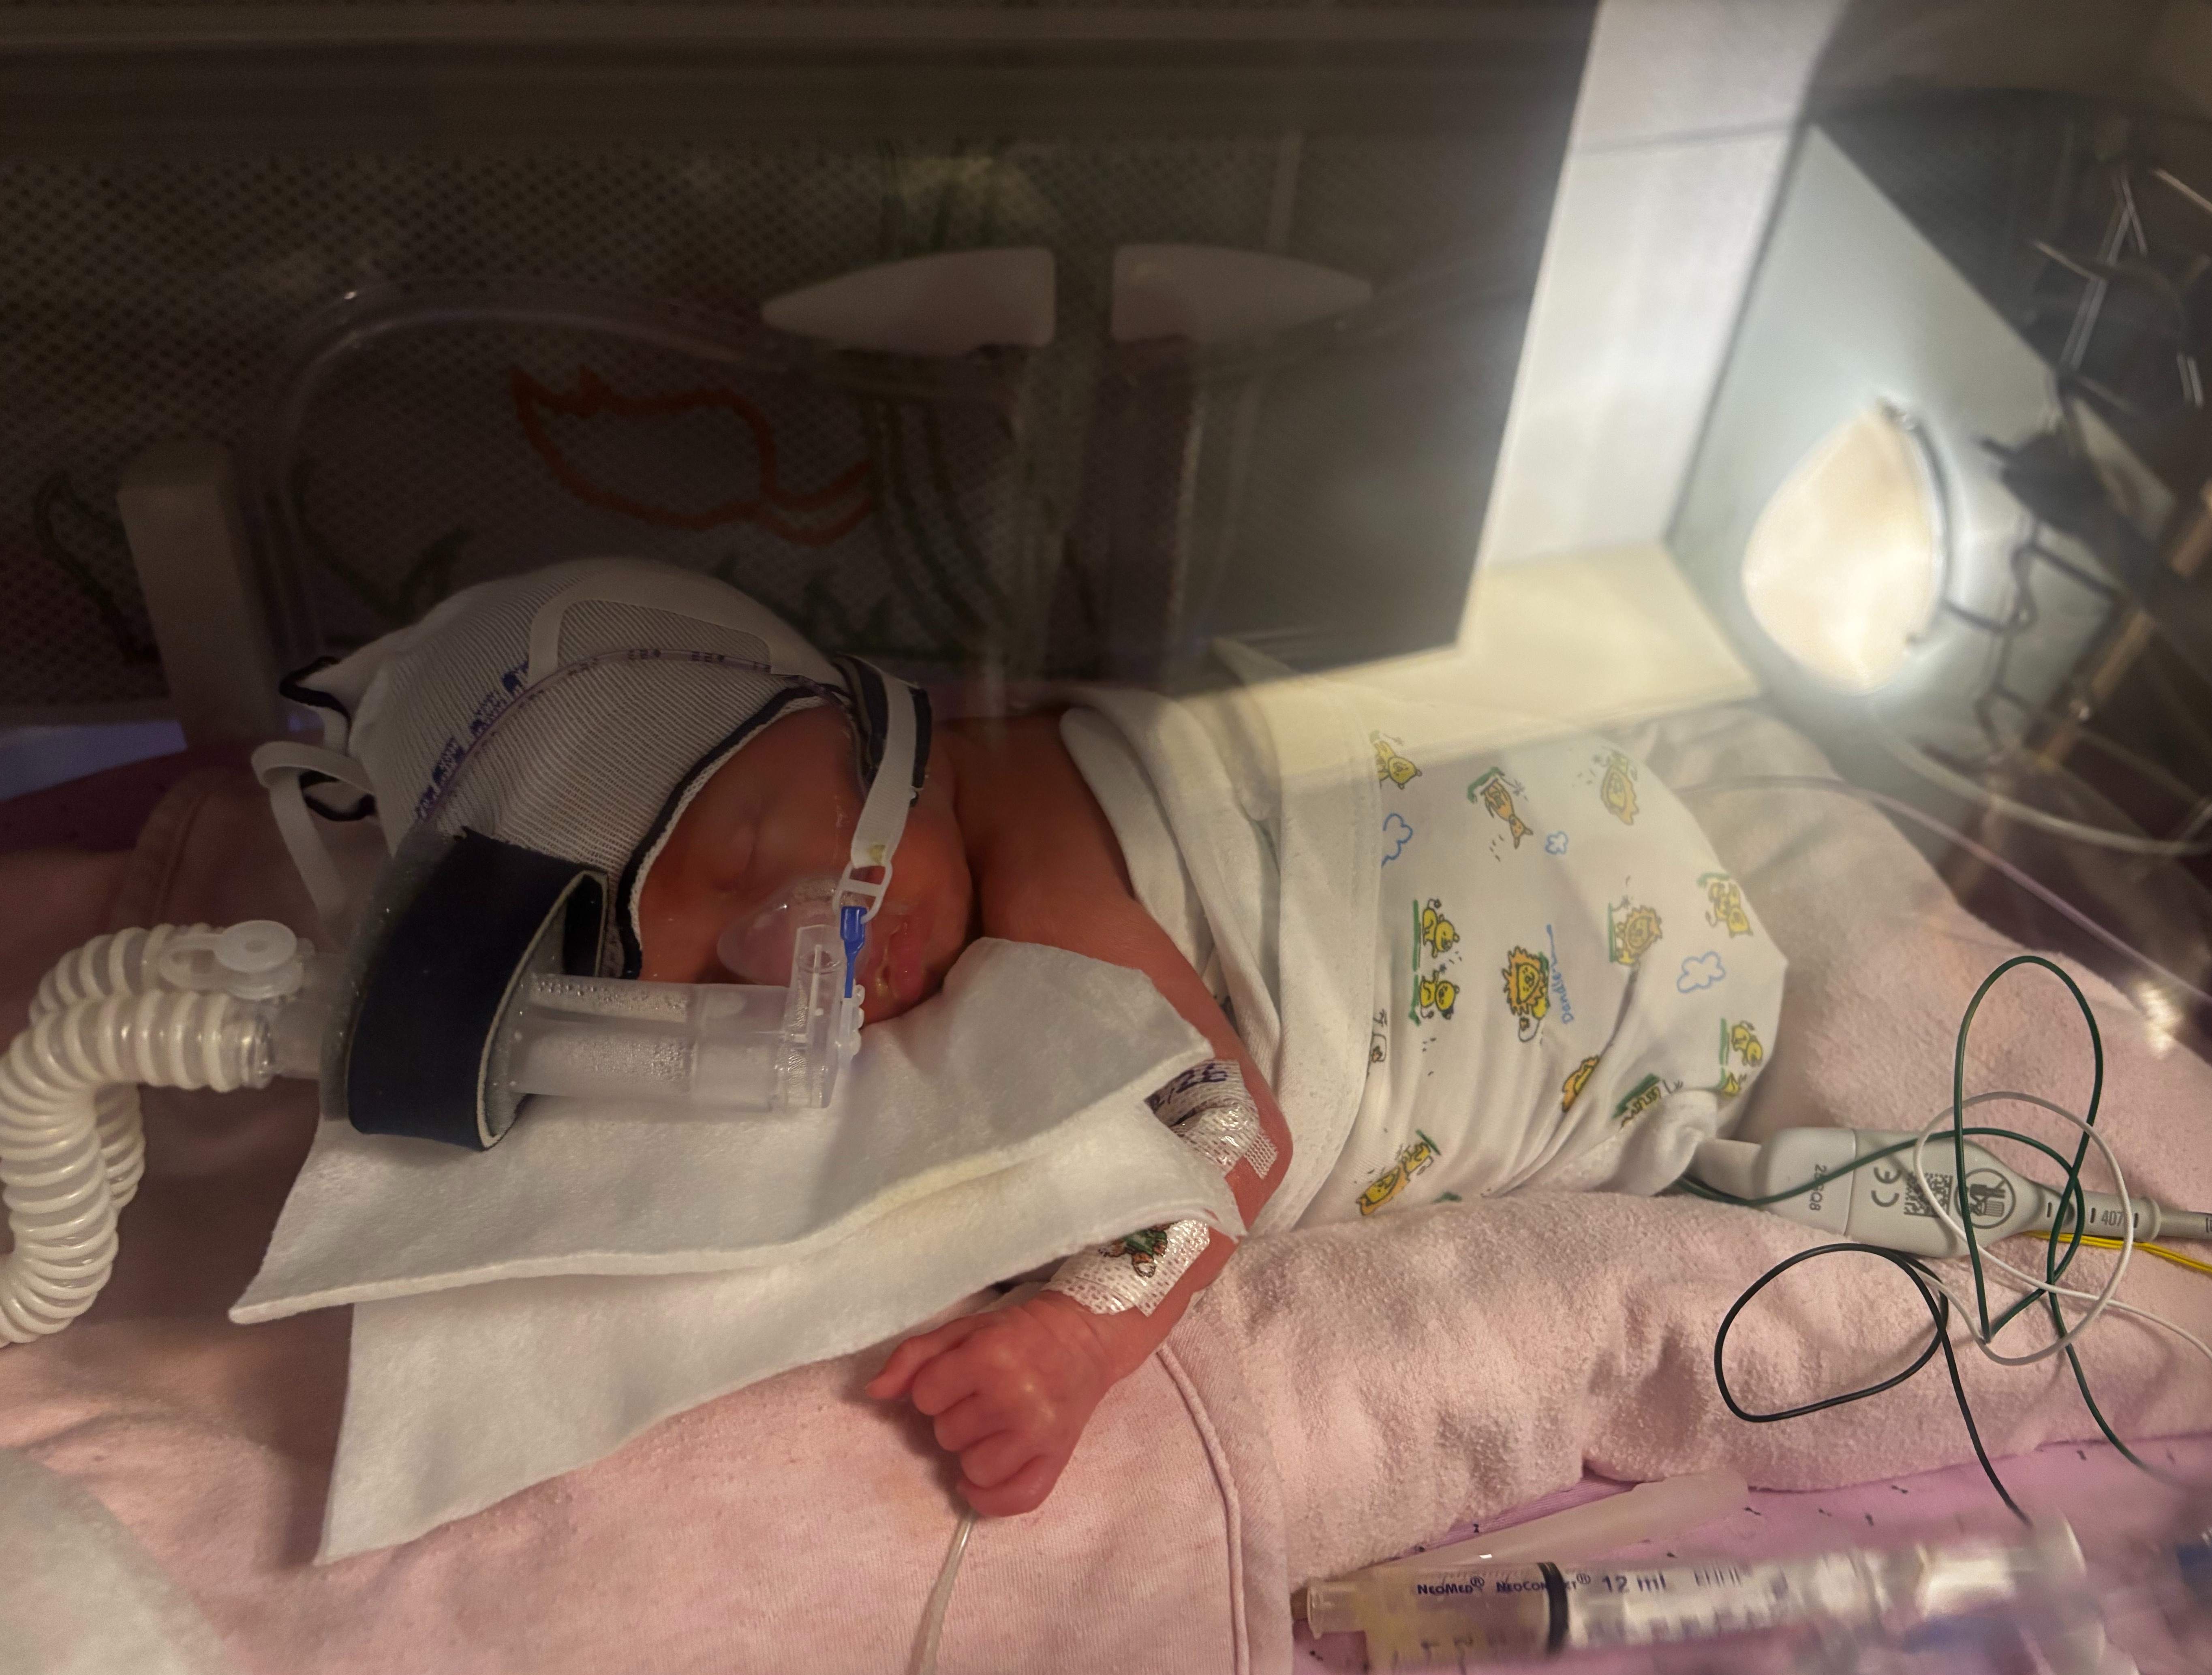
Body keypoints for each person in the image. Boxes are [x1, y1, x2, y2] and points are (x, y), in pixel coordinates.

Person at [293, 560, 1785, 1519]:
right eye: (716, 973)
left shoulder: (1036, 842)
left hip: (1622, 937)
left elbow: (1232, 1130)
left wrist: (1082, 1336)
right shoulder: (907, 855)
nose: (806, 951)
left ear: (857, 719)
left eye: (751, 847)